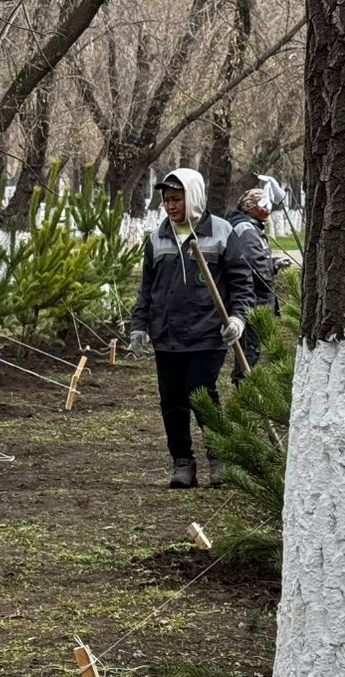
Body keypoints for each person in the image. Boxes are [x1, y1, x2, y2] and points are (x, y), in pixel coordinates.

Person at [128, 168, 256, 489]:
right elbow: (147, 290)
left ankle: (218, 457)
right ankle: (182, 462)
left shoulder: (221, 232)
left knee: (201, 394)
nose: (170, 206)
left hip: (209, 333)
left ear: (193, 197)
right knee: (171, 401)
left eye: (176, 199)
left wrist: (238, 318)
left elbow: (242, 283)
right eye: (166, 200)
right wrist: (139, 327)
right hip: (167, 335)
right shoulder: (157, 238)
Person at [224, 187, 283, 382]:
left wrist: (272, 263)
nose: (267, 210)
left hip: (256, 299)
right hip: (254, 301)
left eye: (269, 206)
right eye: (262, 206)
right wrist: (270, 271)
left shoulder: (252, 226)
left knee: (252, 348)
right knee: (250, 348)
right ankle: (244, 388)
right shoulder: (247, 229)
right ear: (250, 207)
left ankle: (245, 385)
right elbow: (252, 265)